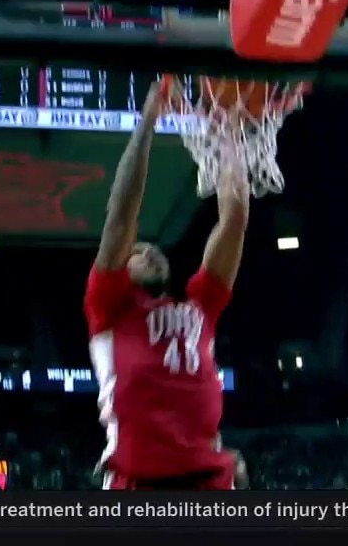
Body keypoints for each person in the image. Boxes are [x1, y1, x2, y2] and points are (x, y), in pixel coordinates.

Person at [84, 79, 250, 490]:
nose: (150, 251)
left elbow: (234, 219)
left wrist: (228, 137)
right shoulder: (108, 305)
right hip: (137, 478)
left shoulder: (201, 305)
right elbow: (122, 215)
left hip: (208, 476)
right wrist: (148, 122)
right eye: (139, 251)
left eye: (154, 250)